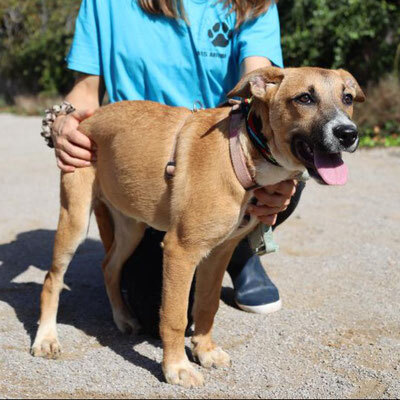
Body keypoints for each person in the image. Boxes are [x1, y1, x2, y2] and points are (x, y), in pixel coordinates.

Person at [48, 0, 305, 335]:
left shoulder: (254, 3)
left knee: (285, 165)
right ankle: (201, 244)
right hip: (147, 167)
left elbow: (256, 82)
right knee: (155, 313)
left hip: (221, 155)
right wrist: (61, 120)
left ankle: (238, 248)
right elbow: (84, 93)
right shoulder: (105, 4)